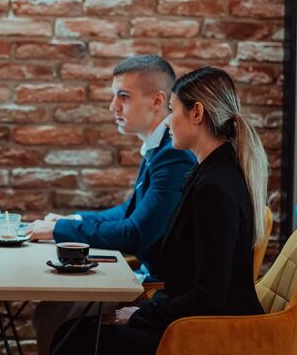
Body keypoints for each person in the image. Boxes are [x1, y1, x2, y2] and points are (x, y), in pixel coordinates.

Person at [51, 67, 268, 355]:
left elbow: (209, 295)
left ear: (197, 113)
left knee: (75, 339)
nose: (166, 123)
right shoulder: (209, 172)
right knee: (75, 333)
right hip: (190, 318)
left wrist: (140, 314)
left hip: (208, 331)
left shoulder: (215, 187)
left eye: (172, 110)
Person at [28, 55, 196, 354]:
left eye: (124, 96)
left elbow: (136, 233)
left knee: (57, 315)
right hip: (148, 281)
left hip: (160, 290)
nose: (113, 106)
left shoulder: (173, 154)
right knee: (51, 310)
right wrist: (72, 220)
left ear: (157, 100)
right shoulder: (159, 149)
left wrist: (61, 230)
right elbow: (128, 211)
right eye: (113, 96)